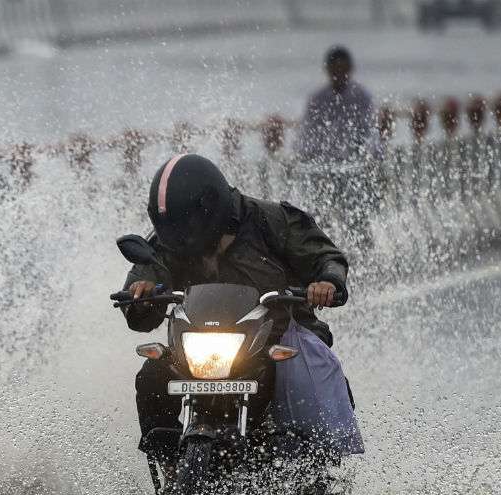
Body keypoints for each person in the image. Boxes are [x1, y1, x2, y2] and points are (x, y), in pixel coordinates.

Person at [120, 153, 350, 465]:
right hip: (198, 346)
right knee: (153, 373)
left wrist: (326, 282)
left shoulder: (272, 220)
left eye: (185, 227)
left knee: (308, 376)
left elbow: (326, 257)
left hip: (274, 339)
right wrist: (141, 294)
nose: (180, 239)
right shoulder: (169, 240)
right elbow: (146, 279)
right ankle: (170, 468)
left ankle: (313, 475)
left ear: (207, 210)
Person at [295, 46, 377, 163]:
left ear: (350, 69)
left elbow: (370, 131)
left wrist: (369, 157)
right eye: (335, 70)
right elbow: (306, 135)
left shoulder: (362, 96)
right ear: (327, 69)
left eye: (343, 69)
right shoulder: (317, 99)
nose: (339, 74)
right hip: (324, 160)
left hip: (356, 158)